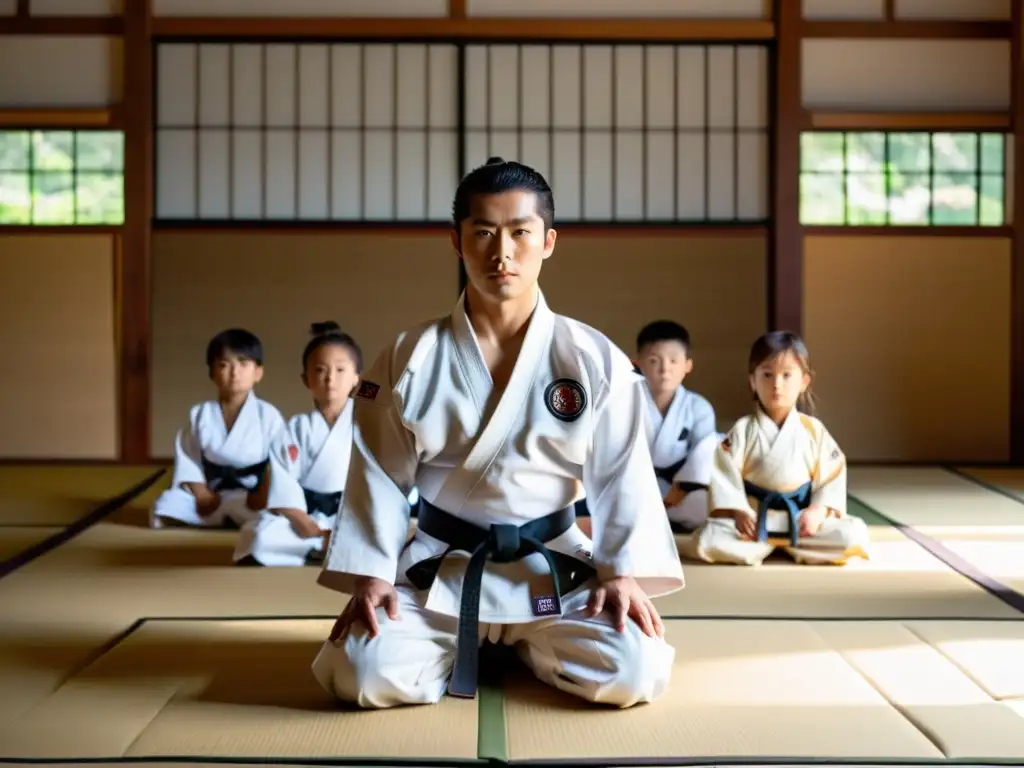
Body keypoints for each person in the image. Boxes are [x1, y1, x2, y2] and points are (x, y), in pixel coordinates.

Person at [311, 157, 684, 710]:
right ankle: (507, 645)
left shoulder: (593, 358)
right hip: (440, 566)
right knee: (358, 670)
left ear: (549, 241)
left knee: (634, 669)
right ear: (456, 241)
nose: (501, 252)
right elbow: (378, 474)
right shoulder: (410, 356)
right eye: (483, 232)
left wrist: (621, 572)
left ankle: (527, 642)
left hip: (554, 567)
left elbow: (621, 476)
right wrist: (371, 574)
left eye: (520, 233)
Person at [691, 331, 870, 566]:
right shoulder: (743, 429)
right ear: (752, 381)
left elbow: (832, 476)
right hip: (754, 522)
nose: (777, 384)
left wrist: (817, 511)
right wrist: (739, 511)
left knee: (852, 534)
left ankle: (782, 545)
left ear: (804, 382)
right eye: (767, 375)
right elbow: (724, 475)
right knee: (708, 539)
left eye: (787, 375)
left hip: (801, 521)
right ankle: (781, 546)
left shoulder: (813, 430)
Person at [234, 322, 362, 567]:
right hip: (305, 515)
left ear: (356, 377)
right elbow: (284, 479)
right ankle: (326, 547)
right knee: (260, 535)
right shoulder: (295, 428)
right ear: (306, 379)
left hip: (352, 514)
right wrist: (301, 520)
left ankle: (322, 548)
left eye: (340, 370)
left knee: (396, 533)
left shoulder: (369, 425)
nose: (330, 378)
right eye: (320, 370)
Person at [150, 328, 285, 530]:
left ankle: (231, 518)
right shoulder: (200, 414)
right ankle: (227, 517)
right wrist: (201, 492)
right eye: (224, 365)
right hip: (211, 495)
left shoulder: (269, 415)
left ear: (258, 372)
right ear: (212, 373)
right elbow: (189, 458)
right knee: (167, 504)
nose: (234, 373)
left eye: (243, 363)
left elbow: (279, 462)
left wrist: (262, 495)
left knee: (280, 512)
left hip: (252, 496)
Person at [634, 320, 720, 534]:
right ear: (637, 364)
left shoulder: (698, 407)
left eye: (673, 361)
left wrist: (681, 489)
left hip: (679, 491)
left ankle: (659, 520)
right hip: (635, 486)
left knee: (706, 504)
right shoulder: (625, 404)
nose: (665, 369)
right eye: (654, 361)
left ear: (687, 365)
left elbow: (702, 457)